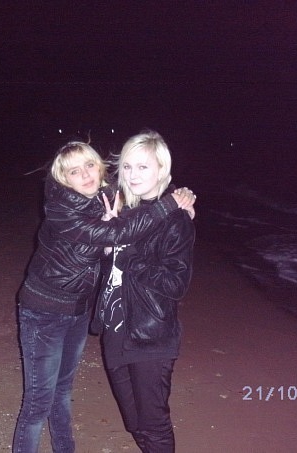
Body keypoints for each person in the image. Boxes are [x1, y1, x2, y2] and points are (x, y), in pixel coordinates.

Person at [12, 141, 195, 453]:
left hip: (94, 316)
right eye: (74, 171)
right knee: (39, 402)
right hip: (46, 311)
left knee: (65, 393)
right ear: (63, 178)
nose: (85, 175)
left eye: (90, 166)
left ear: (100, 169)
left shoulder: (109, 199)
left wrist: (181, 197)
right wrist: (170, 203)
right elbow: (116, 236)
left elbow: (143, 190)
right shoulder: (62, 211)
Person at [91, 131, 196, 453]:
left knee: (153, 423)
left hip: (150, 337)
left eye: (143, 167)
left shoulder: (175, 220)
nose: (133, 175)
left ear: (162, 170)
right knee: (134, 422)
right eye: (127, 166)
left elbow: (176, 284)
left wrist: (128, 256)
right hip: (116, 331)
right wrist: (107, 247)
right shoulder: (121, 210)